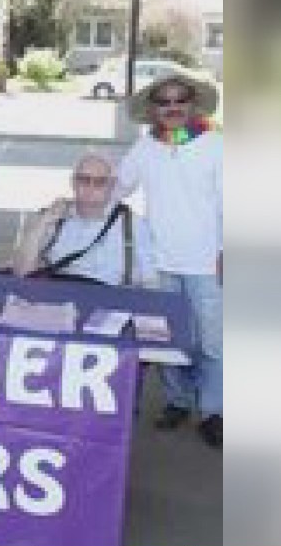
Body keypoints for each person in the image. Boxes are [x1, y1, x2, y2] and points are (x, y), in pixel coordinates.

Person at [116, 67, 223, 448]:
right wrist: (79, 197)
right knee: (169, 341)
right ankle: (177, 401)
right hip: (159, 262)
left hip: (208, 264)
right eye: (165, 102)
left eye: (181, 100)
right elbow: (117, 187)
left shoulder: (216, 144)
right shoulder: (145, 148)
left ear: (193, 104)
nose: (173, 107)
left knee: (213, 342)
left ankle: (214, 411)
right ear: (154, 109)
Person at [13, 150, 154, 287]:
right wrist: (42, 224)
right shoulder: (52, 218)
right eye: (84, 180)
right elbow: (22, 272)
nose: (91, 187)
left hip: (110, 303)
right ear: (73, 183)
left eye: (100, 181)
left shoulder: (133, 225)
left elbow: (149, 281)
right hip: (59, 302)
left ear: (112, 185)